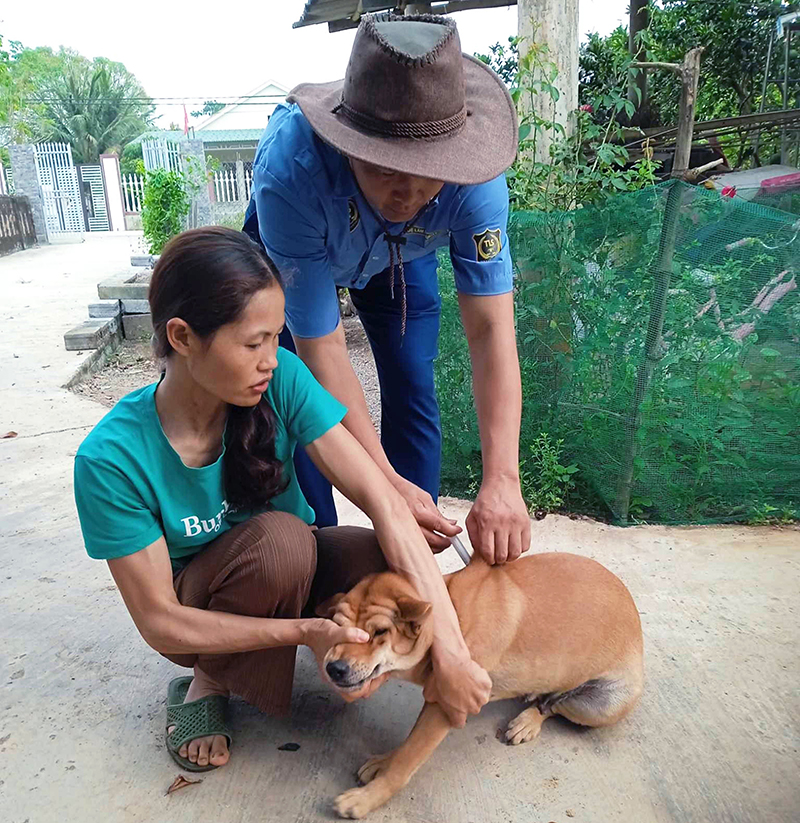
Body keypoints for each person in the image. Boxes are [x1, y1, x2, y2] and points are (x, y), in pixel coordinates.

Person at [73, 228, 491, 772]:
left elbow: (381, 500)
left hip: (295, 566)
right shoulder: (111, 459)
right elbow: (159, 621)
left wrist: (452, 653)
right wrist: (308, 632)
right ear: (181, 336)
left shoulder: (280, 379)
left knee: (389, 569)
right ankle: (208, 682)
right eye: (253, 343)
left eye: (276, 337)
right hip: (202, 606)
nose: (272, 358)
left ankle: (341, 654)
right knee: (281, 541)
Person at [244, 12, 531, 564]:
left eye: (427, 171)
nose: (407, 194)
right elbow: (321, 348)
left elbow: (491, 330)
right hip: (295, 257)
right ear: (346, 144)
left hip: (401, 260)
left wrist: (502, 479)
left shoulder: (475, 182)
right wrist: (379, 484)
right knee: (291, 400)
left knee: (412, 381)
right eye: (384, 168)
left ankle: (411, 558)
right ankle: (315, 551)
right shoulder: (291, 170)